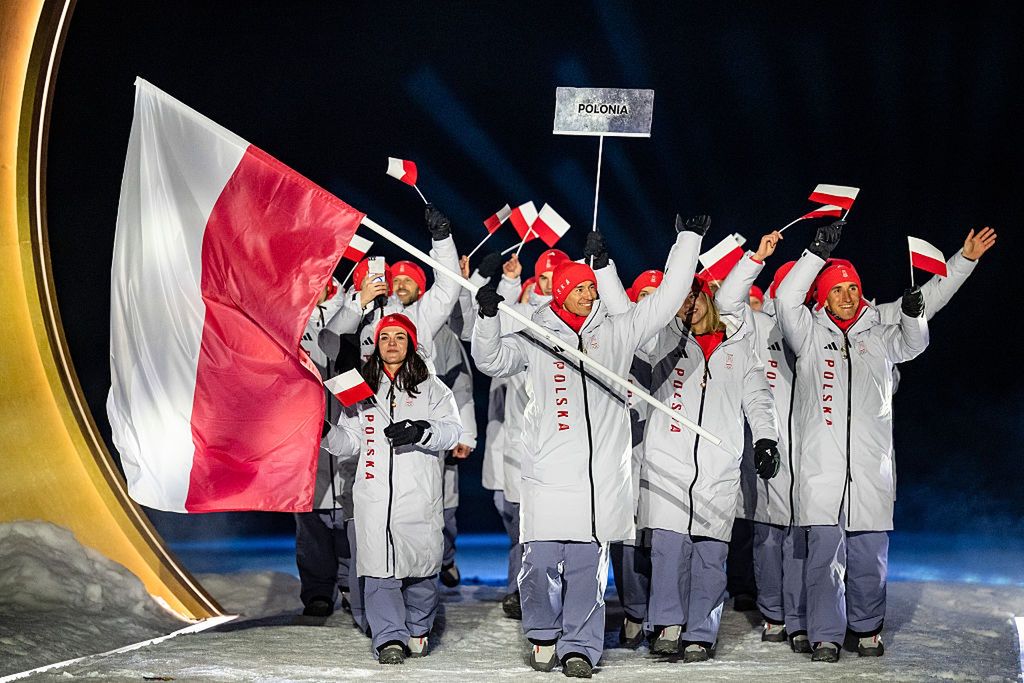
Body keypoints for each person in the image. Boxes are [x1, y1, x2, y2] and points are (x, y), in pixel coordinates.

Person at [472, 215, 705, 678]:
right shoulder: (535, 334)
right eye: (580, 289)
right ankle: (542, 634)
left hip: (600, 479)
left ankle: (580, 645)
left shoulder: (617, 331)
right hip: (547, 473)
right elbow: (491, 359)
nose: (589, 294)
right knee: (538, 567)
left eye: (591, 288)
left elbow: (667, 300)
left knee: (587, 570)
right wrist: (486, 318)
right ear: (560, 292)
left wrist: (687, 241)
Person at [775, 221, 928, 663]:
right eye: (837, 289)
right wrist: (815, 256)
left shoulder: (880, 334)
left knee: (868, 559)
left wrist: (914, 316)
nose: (846, 295)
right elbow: (786, 299)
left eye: (852, 288)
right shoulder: (808, 334)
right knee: (824, 557)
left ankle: (866, 628)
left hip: (869, 468)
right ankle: (825, 634)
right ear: (822, 296)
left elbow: (914, 346)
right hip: (822, 468)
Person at [635, 266, 780, 662]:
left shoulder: (738, 344)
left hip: (717, 466)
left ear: (708, 297)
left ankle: (701, 631)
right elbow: (632, 331)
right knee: (668, 549)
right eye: (679, 298)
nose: (688, 305)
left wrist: (767, 439)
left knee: (710, 556)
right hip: (668, 461)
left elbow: (758, 396)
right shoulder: (662, 339)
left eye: (693, 295)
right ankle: (666, 624)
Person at [326, 313, 463, 665]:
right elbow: (351, 441)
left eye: (399, 338)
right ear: (376, 344)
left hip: (418, 495)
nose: (391, 344)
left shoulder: (433, 389)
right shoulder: (363, 390)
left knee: (421, 568)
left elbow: (451, 431)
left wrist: (421, 430)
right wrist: (324, 433)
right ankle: (388, 637)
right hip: (374, 497)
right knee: (378, 570)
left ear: (411, 344)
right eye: (385, 337)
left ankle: (417, 628)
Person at [324, 205, 462, 372]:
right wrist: (359, 302)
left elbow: (447, 291)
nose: (376, 283)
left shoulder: (413, 318)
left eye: (382, 278)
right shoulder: (348, 319)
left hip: (412, 397)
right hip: (366, 398)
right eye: (369, 280)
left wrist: (442, 241)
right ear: (359, 285)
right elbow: (328, 344)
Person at [295, 279, 358, 618]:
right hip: (308, 430)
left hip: (348, 424)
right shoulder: (293, 315)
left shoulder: (352, 312)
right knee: (311, 520)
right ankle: (318, 589)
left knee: (351, 515)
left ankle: (350, 584)